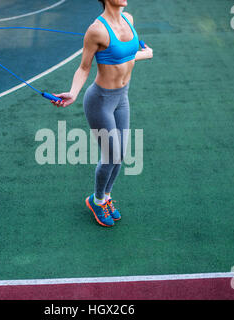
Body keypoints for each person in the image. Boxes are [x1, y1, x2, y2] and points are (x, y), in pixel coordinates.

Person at [50, 0, 153, 227]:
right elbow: (84, 67)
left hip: (122, 98)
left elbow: (125, 54)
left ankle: (106, 197)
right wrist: (74, 93)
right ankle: (96, 200)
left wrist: (144, 53)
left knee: (121, 155)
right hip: (100, 101)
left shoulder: (129, 19)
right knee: (111, 155)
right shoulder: (96, 30)